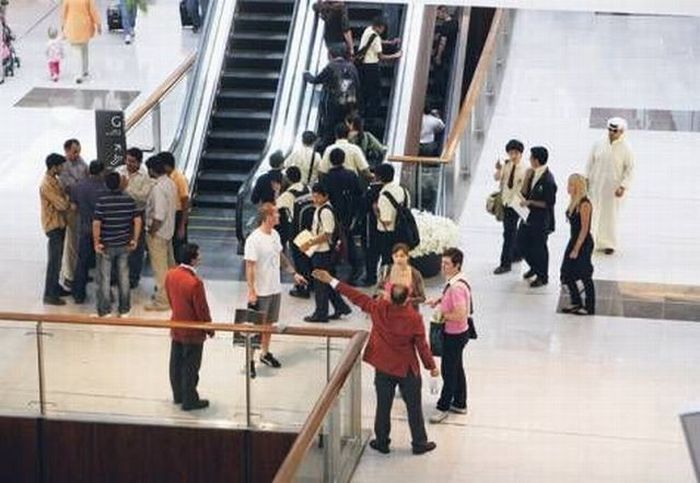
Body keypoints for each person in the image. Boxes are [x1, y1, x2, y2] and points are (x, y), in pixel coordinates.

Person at [312, 268, 438, 455]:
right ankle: (419, 443)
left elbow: (355, 296)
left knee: (383, 407)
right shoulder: (414, 318)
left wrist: (331, 280)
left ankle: (382, 442)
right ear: (407, 298)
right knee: (414, 407)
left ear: (390, 297)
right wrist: (432, 367)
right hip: (407, 369)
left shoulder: (379, 309)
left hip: (384, 366)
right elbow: (422, 346)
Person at [244, 203, 307, 377]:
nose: (279, 217)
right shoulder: (254, 239)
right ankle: (249, 360)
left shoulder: (275, 235)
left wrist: (293, 273)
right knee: (257, 328)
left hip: (274, 288)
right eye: (276, 214)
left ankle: (265, 353)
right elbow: (249, 267)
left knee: (270, 324)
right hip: (261, 291)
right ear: (267, 217)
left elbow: (281, 257)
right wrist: (251, 291)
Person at [165, 243, 214, 411]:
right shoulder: (195, 283)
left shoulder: (171, 275)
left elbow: (171, 299)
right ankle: (190, 399)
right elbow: (201, 310)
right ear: (192, 259)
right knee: (190, 366)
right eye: (198, 255)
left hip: (177, 325)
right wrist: (209, 328)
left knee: (176, 363)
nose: (200, 258)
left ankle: (178, 395)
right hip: (192, 331)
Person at [426, 247, 471, 424]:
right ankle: (460, 402)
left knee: (449, 371)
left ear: (457, 265)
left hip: (453, 334)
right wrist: (439, 301)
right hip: (460, 332)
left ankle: (443, 407)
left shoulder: (456, 288)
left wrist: (442, 316)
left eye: (446, 263)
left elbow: (461, 313)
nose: (442, 266)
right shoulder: (457, 280)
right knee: (457, 367)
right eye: (442, 262)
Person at [301, 183, 352, 323]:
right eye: (314, 196)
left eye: (318, 196)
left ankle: (321, 313)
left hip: (323, 252)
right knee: (327, 281)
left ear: (325, 196)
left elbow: (327, 234)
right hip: (320, 250)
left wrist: (310, 242)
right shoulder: (321, 209)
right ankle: (341, 307)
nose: (315, 199)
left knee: (320, 284)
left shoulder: (325, 211)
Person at [92, 172, 141, 317]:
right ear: (120, 183)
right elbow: (138, 220)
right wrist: (135, 239)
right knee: (124, 277)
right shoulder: (129, 200)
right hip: (124, 244)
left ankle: (105, 310)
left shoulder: (102, 201)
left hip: (106, 245)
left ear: (106, 184)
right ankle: (124, 309)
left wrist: (96, 242)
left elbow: (96, 223)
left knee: (105, 279)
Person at [585, 117, 634, 255]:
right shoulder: (599, 143)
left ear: (622, 131)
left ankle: (609, 244)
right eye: (610, 130)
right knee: (593, 213)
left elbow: (630, 169)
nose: (612, 133)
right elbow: (590, 163)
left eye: (615, 131)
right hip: (596, 186)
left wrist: (623, 187)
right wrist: (586, 179)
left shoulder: (626, 148)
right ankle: (590, 241)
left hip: (613, 190)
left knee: (610, 216)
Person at [304, 45, 360, 148]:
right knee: (345, 124)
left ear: (330, 55)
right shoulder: (352, 66)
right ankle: (345, 146)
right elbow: (357, 84)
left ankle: (327, 146)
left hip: (334, 102)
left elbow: (316, 80)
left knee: (330, 125)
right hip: (350, 102)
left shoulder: (331, 66)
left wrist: (306, 75)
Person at [322, 148, 363, 283]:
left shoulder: (326, 177)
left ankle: (331, 269)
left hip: (331, 213)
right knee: (348, 240)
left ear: (330, 160)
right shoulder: (351, 175)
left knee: (331, 241)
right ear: (344, 159)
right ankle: (355, 268)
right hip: (348, 213)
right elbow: (358, 193)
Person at [518, 146, 557, 288]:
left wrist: (531, 202)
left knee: (539, 248)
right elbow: (524, 192)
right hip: (527, 217)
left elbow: (549, 203)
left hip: (540, 221)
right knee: (521, 244)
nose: (529, 160)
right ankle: (534, 266)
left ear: (536, 160)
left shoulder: (548, 179)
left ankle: (542, 275)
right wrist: (526, 179)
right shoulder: (532, 173)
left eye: (531, 158)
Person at [144, 155, 177, 311]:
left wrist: (151, 231)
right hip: (169, 231)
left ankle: (163, 301)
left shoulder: (158, 188)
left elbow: (158, 215)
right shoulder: (171, 183)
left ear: (151, 170)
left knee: (160, 270)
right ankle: (174, 295)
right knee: (170, 267)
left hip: (158, 233)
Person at [117, 147, 154, 288]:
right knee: (118, 245)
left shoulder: (145, 177)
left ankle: (133, 278)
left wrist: (125, 189)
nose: (129, 164)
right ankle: (117, 276)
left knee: (136, 247)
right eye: (127, 160)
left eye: (132, 161)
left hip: (137, 214)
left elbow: (143, 198)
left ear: (139, 162)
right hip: (119, 214)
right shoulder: (119, 171)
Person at [70, 160, 105, 304]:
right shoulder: (104, 188)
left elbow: (73, 207)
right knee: (103, 263)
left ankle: (78, 294)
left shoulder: (78, 186)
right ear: (101, 172)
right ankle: (104, 295)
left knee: (82, 262)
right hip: (102, 231)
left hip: (84, 229)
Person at [560, 174, 595, 316]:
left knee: (585, 274)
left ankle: (589, 306)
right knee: (566, 273)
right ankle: (576, 302)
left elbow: (584, 229)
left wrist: (576, 248)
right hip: (574, 239)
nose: (568, 187)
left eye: (571, 184)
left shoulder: (584, 204)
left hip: (583, 242)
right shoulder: (574, 201)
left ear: (577, 186)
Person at [40, 154, 72, 305]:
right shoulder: (46, 185)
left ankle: (55, 287)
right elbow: (61, 204)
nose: (63, 169)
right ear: (54, 167)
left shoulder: (55, 181)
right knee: (54, 261)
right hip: (53, 226)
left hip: (60, 223)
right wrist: (67, 200)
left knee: (58, 260)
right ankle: (49, 294)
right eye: (61, 166)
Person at [357, 16, 401, 124]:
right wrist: (395, 55)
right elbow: (381, 57)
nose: (383, 31)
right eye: (383, 29)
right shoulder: (376, 37)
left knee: (365, 89)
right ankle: (371, 117)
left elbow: (377, 41)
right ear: (379, 27)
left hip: (362, 65)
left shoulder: (368, 30)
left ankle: (361, 112)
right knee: (375, 93)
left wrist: (390, 43)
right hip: (372, 66)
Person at [493, 139, 527, 274]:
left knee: (509, 233)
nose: (513, 156)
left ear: (520, 154)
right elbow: (497, 178)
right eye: (510, 153)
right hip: (506, 202)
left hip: (517, 204)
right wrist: (499, 169)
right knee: (511, 232)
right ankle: (515, 254)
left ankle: (505, 263)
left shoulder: (525, 169)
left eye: (516, 153)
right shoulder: (506, 165)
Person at [58, 138, 88, 293]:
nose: (77, 154)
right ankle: (69, 277)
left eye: (79, 151)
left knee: (79, 243)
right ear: (67, 150)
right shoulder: (63, 167)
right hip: (71, 208)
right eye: (74, 151)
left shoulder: (81, 162)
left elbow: (86, 176)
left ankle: (79, 271)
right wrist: (82, 185)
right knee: (71, 244)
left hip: (82, 207)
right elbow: (70, 187)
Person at [375, 163, 409, 267]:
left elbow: (386, 221)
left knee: (387, 262)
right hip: (403, 232)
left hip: (387, 235)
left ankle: (388, 281)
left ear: (379, 177)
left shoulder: (384, 196)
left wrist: (376, 212)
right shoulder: (404, 190)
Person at [376, 243, 426, 310]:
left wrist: (407, 301)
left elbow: (422, 298)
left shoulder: (415, 274)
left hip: (408, 312)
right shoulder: (385, 271)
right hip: (388, 311)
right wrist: (384, 294)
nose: (398, 259)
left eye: (402, 256)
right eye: (396, 256)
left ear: (407, 257)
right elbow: (378, 289)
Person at [61, 0, 101, 84]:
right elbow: (93, 11)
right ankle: (85, 70)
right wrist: (98, 24)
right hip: (85, 26)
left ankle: (78, 75)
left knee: (76, 51)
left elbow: (63, 13)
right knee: (84, 48)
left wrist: (63, 26)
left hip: (72, 26)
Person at [160, 152, 189, 263]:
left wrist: (182, 225)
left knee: (179, 249)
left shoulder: (179, 179)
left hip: (178, 215)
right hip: (168, 216)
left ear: (166, 165)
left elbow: (185, 201)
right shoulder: (164, 178)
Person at [358, 176, 384, 287]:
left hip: (370, 227)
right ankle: (384, 279)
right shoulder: (389, 190)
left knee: (370, 254)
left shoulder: (370, 192)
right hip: (385, 228)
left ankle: (370, 277)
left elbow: (362, 208)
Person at [432, 6, 458, 98]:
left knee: (439, 75)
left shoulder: (446, 25)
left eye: (438, 13)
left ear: (443, 11)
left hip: (443, 54)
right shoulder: (455, 23)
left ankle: (441, 95)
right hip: (449, 52)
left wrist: (438, 55)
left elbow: (443, 42)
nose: (437, 16)